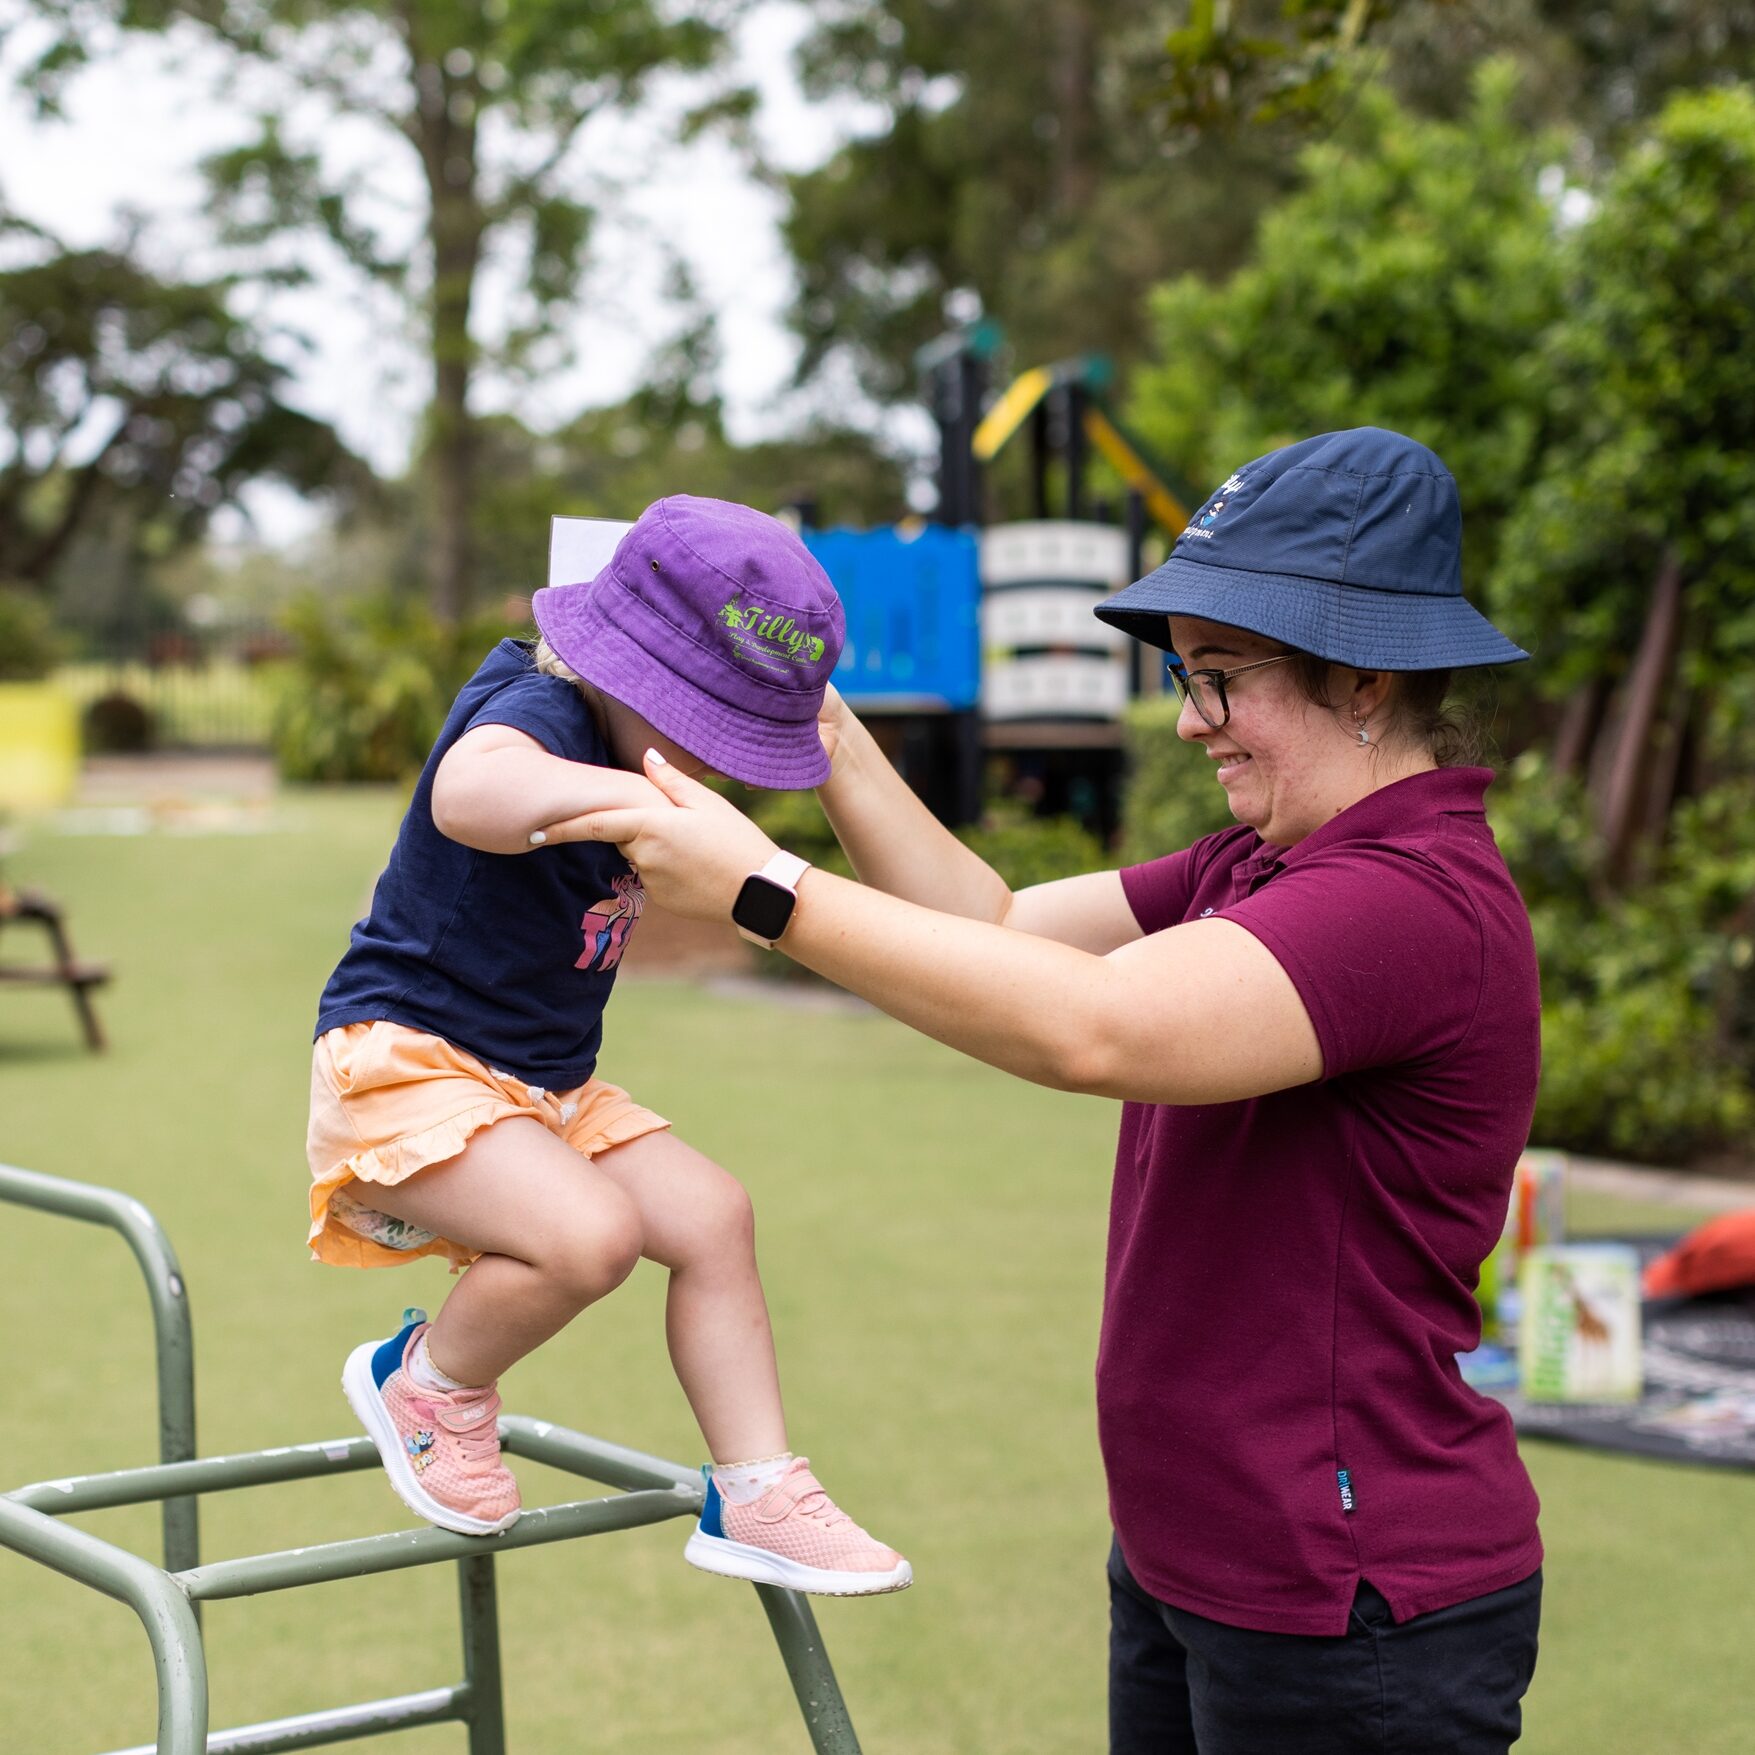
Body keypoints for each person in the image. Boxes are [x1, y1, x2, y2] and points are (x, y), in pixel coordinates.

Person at [545, 429, 1546, 1751]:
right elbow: (999, 919)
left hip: (1350, 1599)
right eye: (1179, 671)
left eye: (1216, 675)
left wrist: (757, 885)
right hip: (1193, 1557)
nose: (1187, 715)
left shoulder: (1406, 900)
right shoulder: (1258, 861)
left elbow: (1094, 1028)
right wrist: (816, 716)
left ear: (1361, 680)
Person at [306, 494, 910, 1597]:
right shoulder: (538, 706)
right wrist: (632, 801)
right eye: (707, 733)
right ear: (624, 673)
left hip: (544, 1086)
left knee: (714, 1217)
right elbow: (469, 790)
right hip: (410, 1062)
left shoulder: (636, 748)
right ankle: (427, 1384)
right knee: (593, 1237)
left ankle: (757, 1485)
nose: (716, 769)